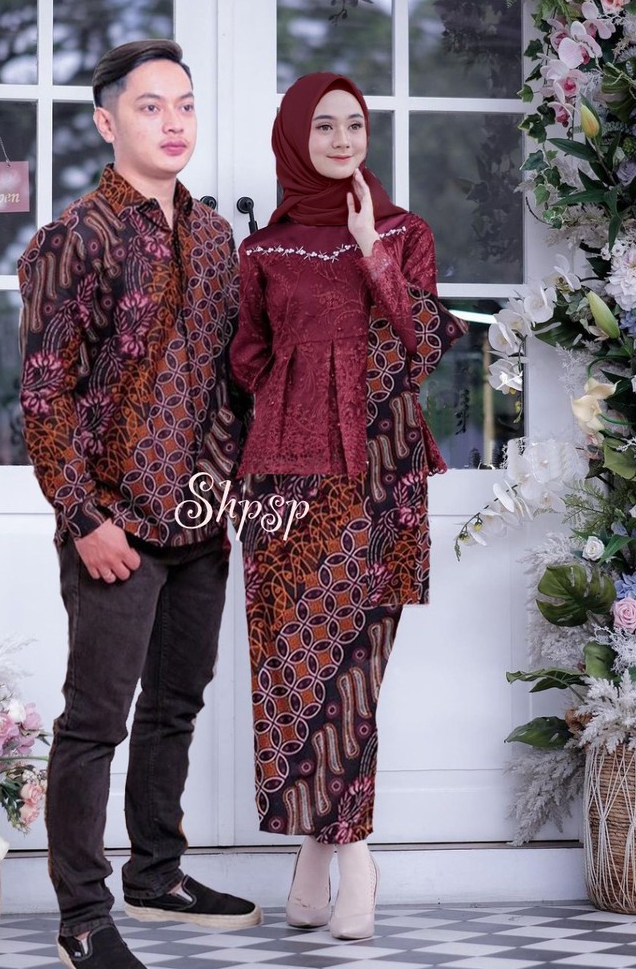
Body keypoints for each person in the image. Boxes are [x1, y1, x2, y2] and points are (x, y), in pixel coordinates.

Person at [18, 39, 259, 969]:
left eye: (185, 105)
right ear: (106, 121)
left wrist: (226, 484)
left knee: (176, 705)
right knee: (94, 723)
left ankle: (156, 875)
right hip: (112, 524)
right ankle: (83, 916)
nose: (173, 122)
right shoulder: (74, 238)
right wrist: (83, 519)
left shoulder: (213, 237)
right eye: (151, 106)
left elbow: (225, 379)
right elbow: (44, 397)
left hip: (199, 520)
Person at [229, 72, 468, 940]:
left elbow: (427, 344)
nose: (341, 140)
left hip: (379, 473)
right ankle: (319, 856)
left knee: (355, 669)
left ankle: (349, 859)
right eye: (323, 126)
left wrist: (372, 253)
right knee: (292, 670)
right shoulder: (264, 250)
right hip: (284, 482)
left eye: (354, 125)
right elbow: (247, 359)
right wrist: (294, 398)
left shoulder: (404, 232)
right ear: (295, 138)